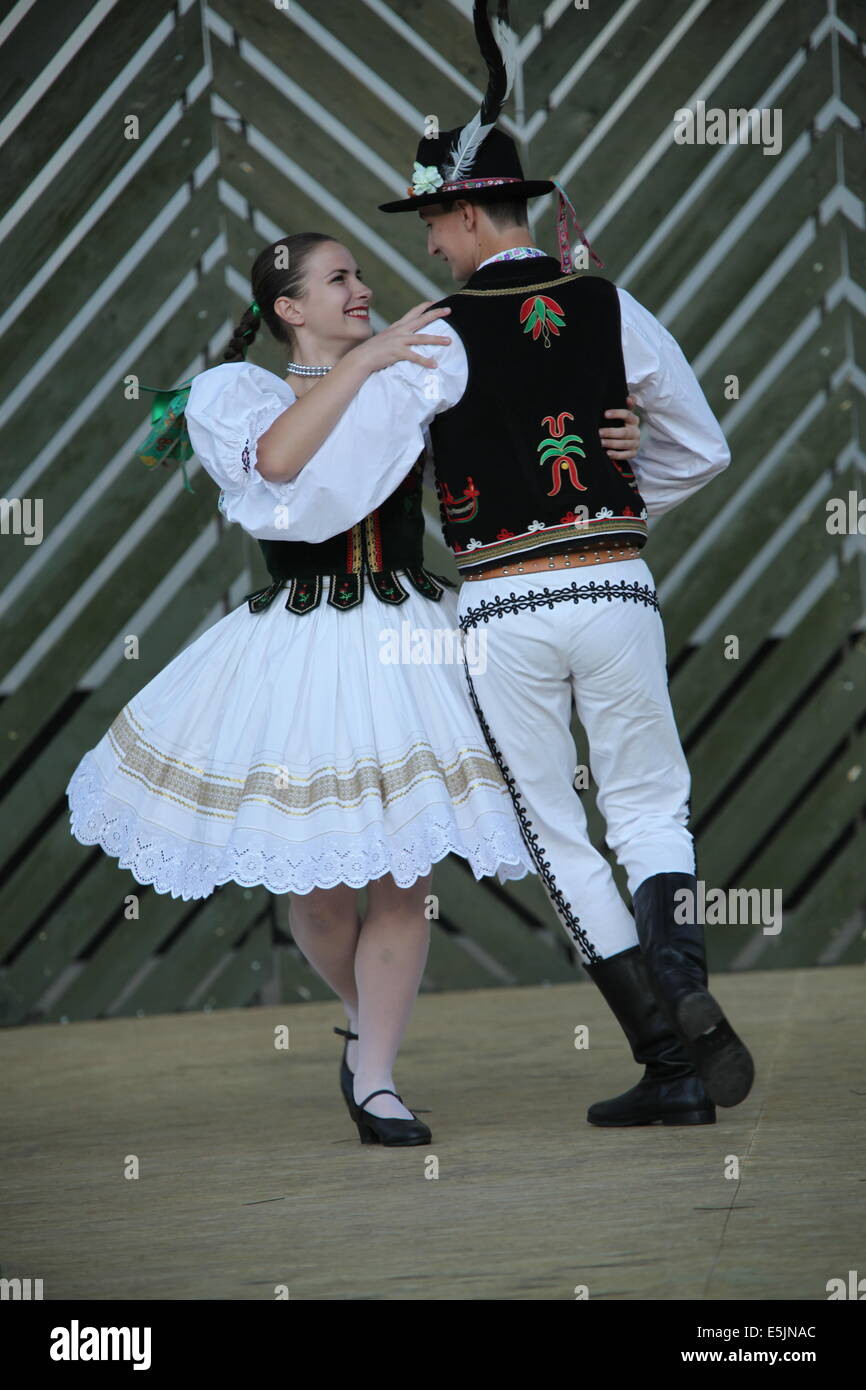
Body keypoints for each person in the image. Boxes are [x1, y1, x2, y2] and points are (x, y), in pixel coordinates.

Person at [234, 0, 755, 1126]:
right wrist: (622, 483)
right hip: (616, 587)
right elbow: (702, 448)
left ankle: (668, 1065)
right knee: (650, 806)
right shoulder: (609, 301)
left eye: (433, 221)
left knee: (556, 834)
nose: (424, 245)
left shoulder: (431, 338)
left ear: (470, 213)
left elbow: (349, 474)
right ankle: (679, 978)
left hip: (503, 612)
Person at [65, 230, 642, 1147]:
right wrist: (369, 358)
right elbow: (283, 463)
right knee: (324, 896)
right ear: (289, 310)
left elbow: (519, 428)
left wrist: (622, 432)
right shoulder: (238, 393)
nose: (362, 289)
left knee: (402, 880)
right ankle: (364, 1023)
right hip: (298, 644)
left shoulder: (412, 379)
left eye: (360, 275)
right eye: (339, 280)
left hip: (409, 638)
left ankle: (376, 1082)